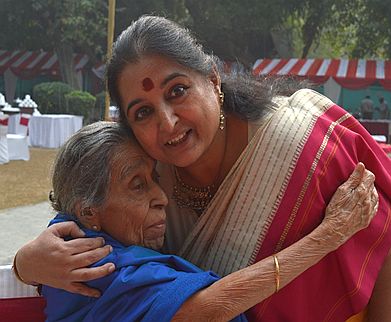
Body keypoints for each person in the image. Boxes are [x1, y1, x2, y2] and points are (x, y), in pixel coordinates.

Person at [14, 16, 391, 321]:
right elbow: (77, 222)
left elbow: (383, 233)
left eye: (177, 91)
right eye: (143, 112)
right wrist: (25, 263)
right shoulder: (142, 169)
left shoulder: (308, 142)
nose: (167, 123)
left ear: (212, 79)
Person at [42, 121, 376, 321]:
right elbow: (206, 313)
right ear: (88, 211)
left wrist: (24, 266)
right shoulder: (98, 267)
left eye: (155, 179)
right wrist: (330, 234)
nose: (162, 197)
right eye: (138, 185)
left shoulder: (64, 240)